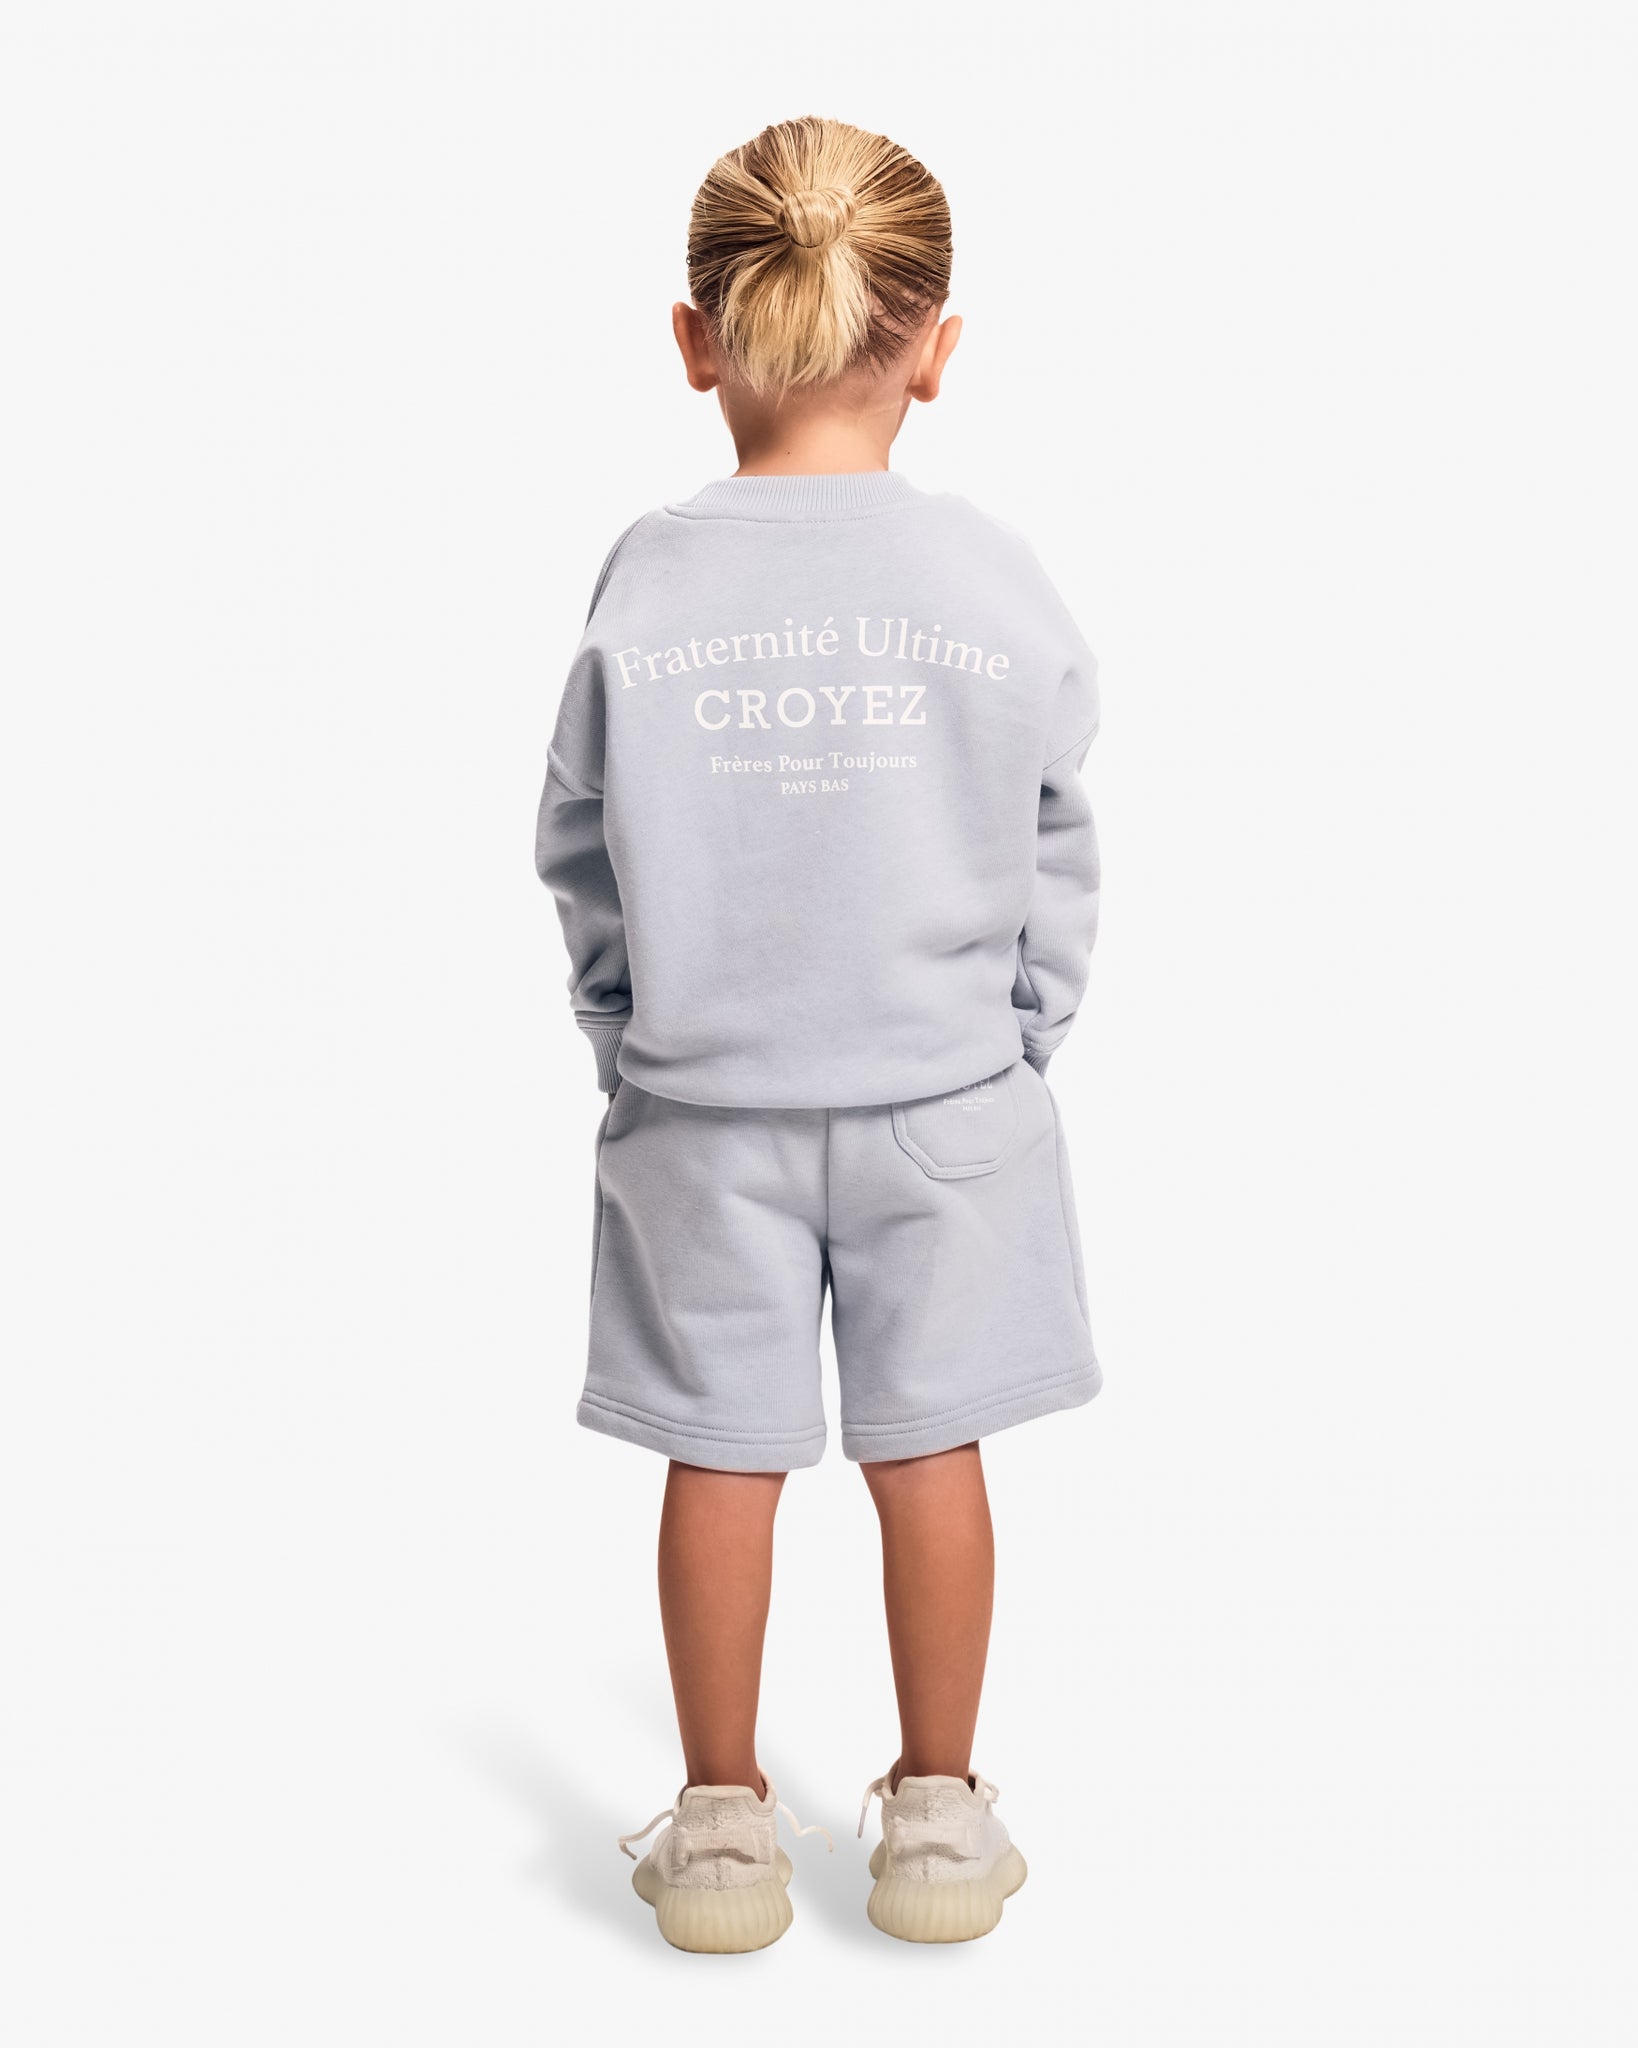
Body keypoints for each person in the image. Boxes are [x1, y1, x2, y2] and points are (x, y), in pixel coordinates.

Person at [535, 115, 1102, 1952]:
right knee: (933, 1452)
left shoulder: (649, 575)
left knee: (722, 1453)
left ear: (694, 338)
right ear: (935, 346)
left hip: (705, 1107)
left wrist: (633, 1039)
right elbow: (1052, 832)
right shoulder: (987, 576)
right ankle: (937, 1820)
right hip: (949, 1100)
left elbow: (577, 839)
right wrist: (1014, 1040)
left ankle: (719, 1832)